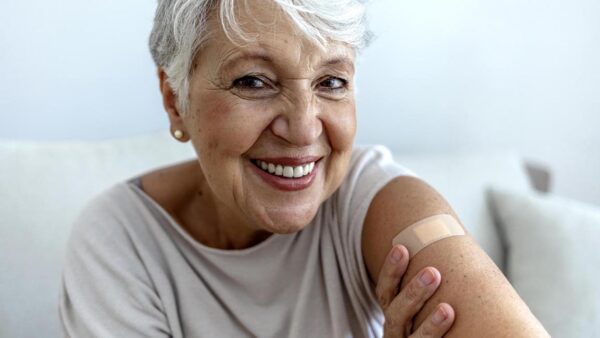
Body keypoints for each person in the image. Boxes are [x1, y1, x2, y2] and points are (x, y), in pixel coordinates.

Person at [58, 0, 550, 337]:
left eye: (331, 81)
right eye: (253, 81)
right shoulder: (119, 240)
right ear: (175, 101)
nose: (302, 128)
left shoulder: (376, 200)